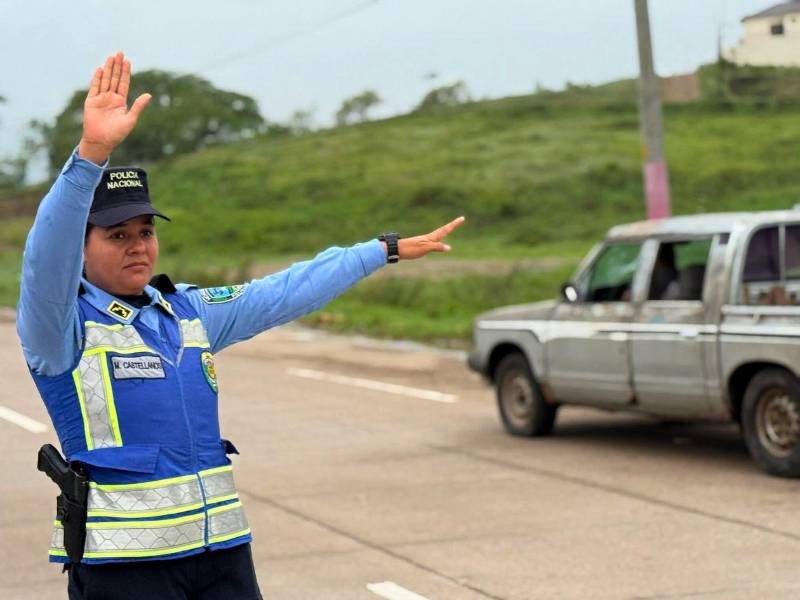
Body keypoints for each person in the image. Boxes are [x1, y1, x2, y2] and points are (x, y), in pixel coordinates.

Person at [17, 51, 464, 600]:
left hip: (222, 553)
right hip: (125, 565)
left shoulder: (185, 312)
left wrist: (378, 251)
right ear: (80, 251)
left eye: (144, 231)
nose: (137, 245)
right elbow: (44, 258)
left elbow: (281, 293)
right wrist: (91, 155)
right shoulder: (59, 326)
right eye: (116, 235)